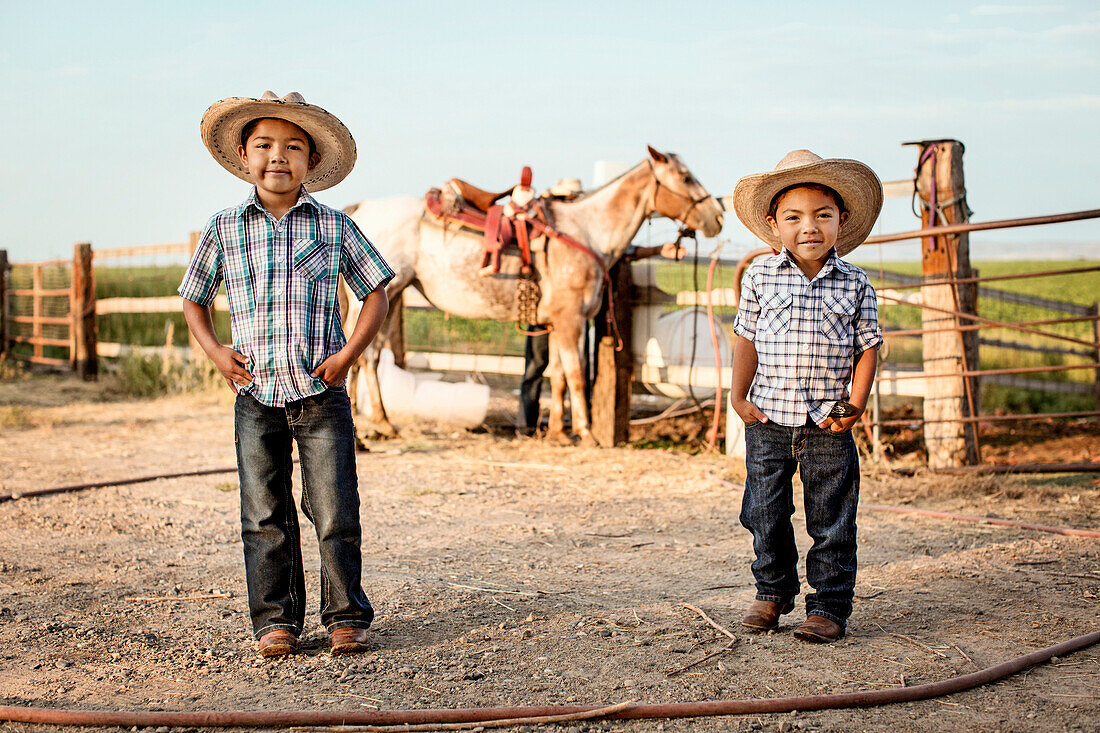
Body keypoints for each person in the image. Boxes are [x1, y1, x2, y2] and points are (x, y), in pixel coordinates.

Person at [179, 91, 394, 657]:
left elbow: (377, 292)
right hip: (255, 395)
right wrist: (217, 354)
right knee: (262, 512)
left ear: (312, 163)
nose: (279, 156)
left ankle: (346, 615)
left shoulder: (333, 227)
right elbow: (194, 301)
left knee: (333, 508)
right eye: (265, 146)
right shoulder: (223, 227)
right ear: (244, 157)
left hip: (321, 392)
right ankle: (275, 620)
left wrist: (347, 355)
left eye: (294, 147)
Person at [729, 150, 883, 643]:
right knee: (763, 511)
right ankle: (772, 591)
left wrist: (851, 407)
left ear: (842, 220)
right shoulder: (760, 277)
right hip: (769, 419)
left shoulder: (855, 282)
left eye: (823, 215)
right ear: (774, 225)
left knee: (832, 519)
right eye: (793, 217)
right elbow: (747, 340)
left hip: (828, 425)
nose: (809, 227)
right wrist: (738, 396)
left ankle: (829, 606)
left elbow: (868, 348)